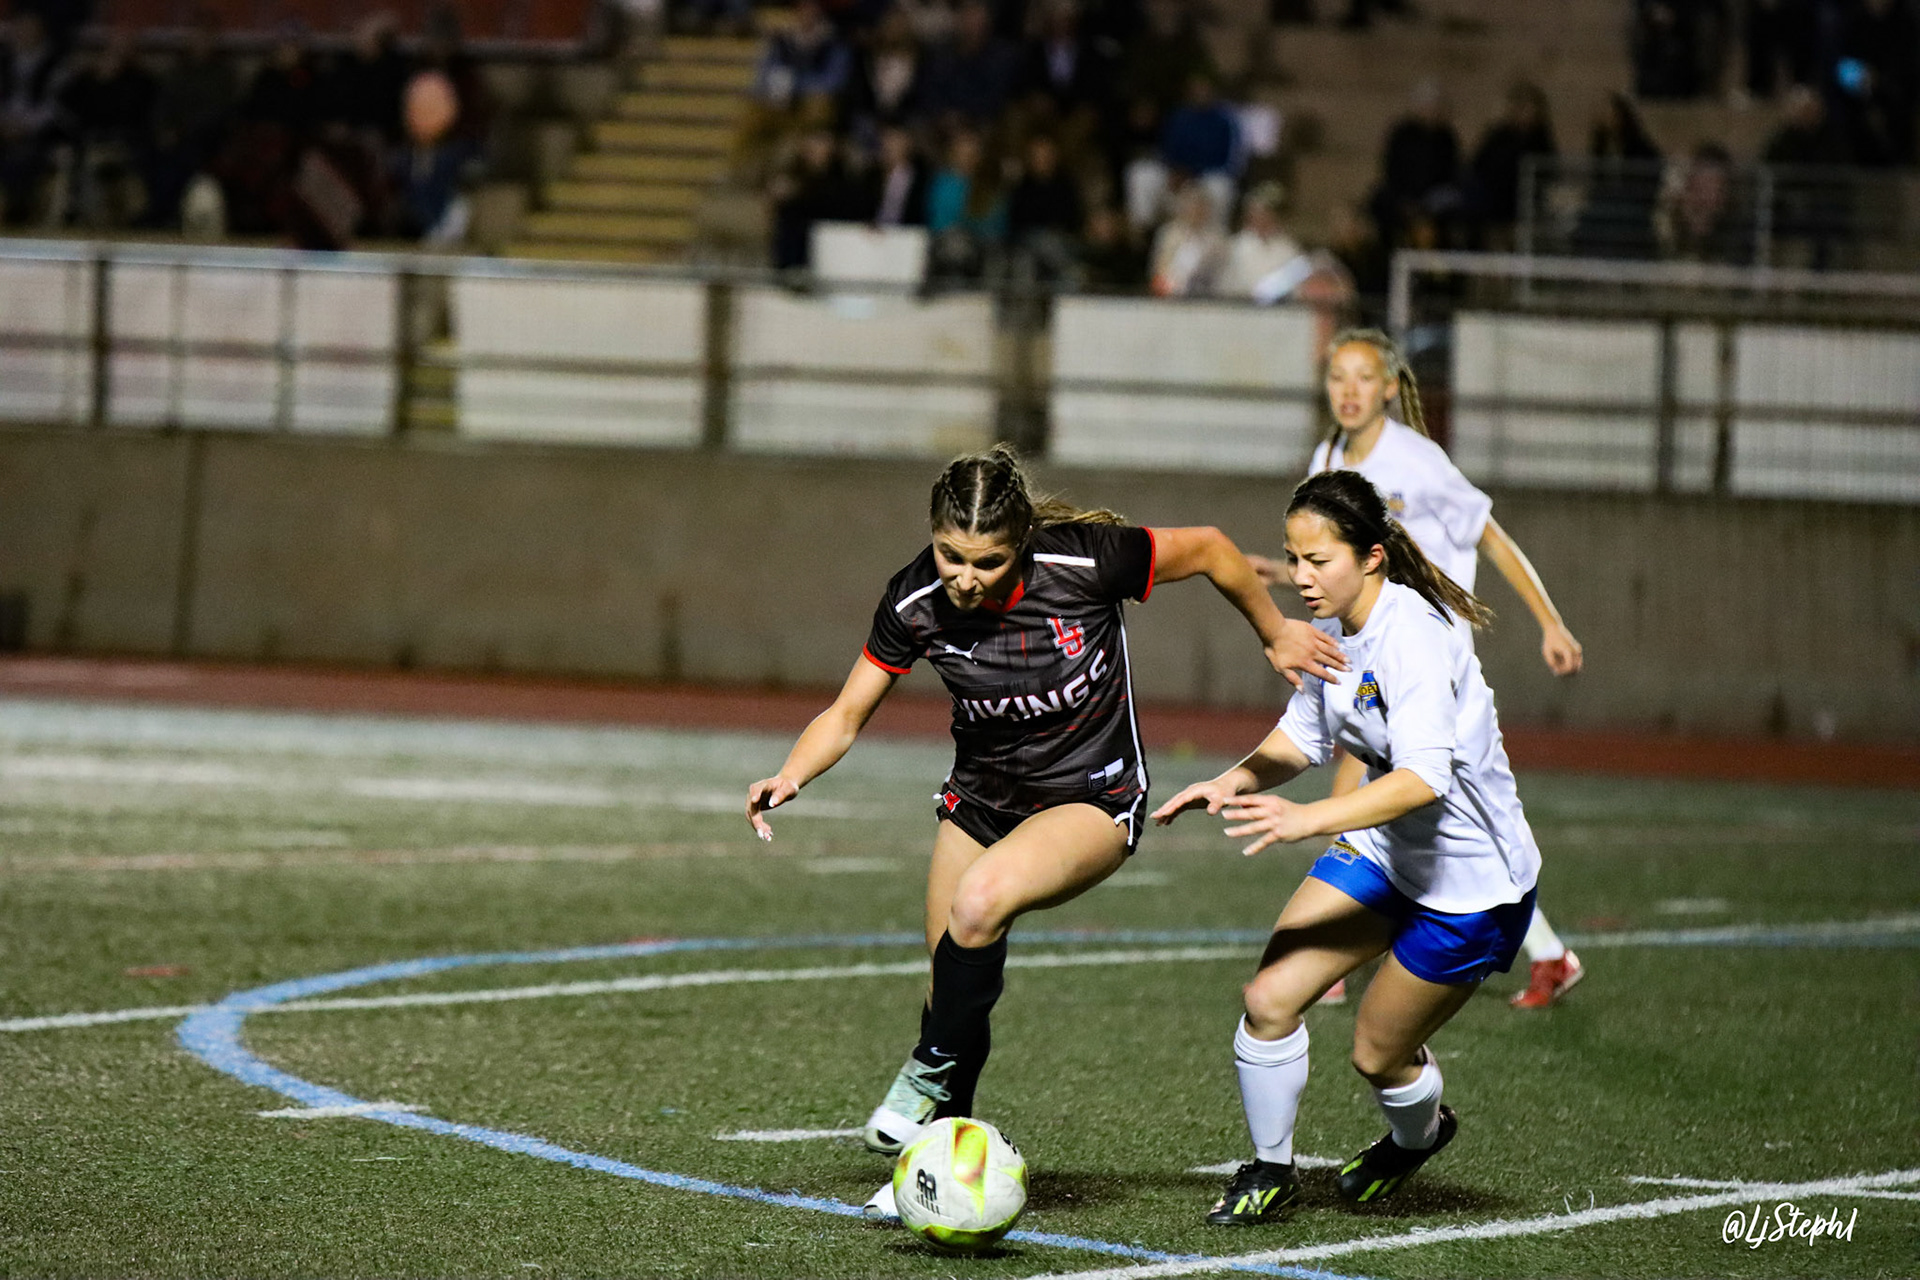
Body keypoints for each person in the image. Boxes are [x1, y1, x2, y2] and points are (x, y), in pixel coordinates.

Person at [743, 444, 1346, 1217]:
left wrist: (1273, 630)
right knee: (950, 985)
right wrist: (792, 773)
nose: (965, 577)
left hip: (1092, 797)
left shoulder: (1088, 561)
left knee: (977, 903)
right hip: (980, 801)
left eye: (988, 561)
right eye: (950, 555)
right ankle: (944, 1163)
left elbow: (1211, 550)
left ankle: (925, 1072)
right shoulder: (913, 598)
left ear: (1022, 542)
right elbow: (847, 712)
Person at [1156, 468, 1538, 1224]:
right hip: (1386, 851)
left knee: (1376, 1056)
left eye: (1317, 560)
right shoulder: (1330, 631)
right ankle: (1271, 1171)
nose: (1300, 577)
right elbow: (1301, 739)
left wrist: (1305, 820)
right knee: (1268, 998)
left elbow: (1423, 778)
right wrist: (1229, 781)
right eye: (1292, 559)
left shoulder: (1415, 637)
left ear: (1371, 558)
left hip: (1471, 886)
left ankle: (1418, 1137)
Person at [1248, 330, 1585, 1010]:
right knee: (1435, 821)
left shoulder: (1419, 461)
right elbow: (1341, 561)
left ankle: (1336, 952)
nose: (1348, 390)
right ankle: (1547, 952)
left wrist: (1550, 621)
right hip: (1364, 650)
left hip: (1422, 658)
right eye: (1337, 377)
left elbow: (1490, 536)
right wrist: (1281, 576)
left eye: (1362, 377)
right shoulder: (1327, 459)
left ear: (1387, 387)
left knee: (1384, 797)